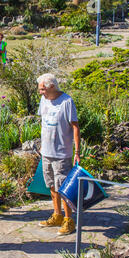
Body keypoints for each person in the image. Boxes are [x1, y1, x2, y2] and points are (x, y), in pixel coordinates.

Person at [37, 73, 81, 236]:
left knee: (63, 187)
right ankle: (57, 214)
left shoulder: (67, 102)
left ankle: (69, 221)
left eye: (42, 89)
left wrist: (77, 152)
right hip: (47, 151)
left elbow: (75, 127)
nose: (40, 92)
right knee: (51, 185)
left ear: (52, 87)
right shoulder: (44, 100)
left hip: (62, 153)